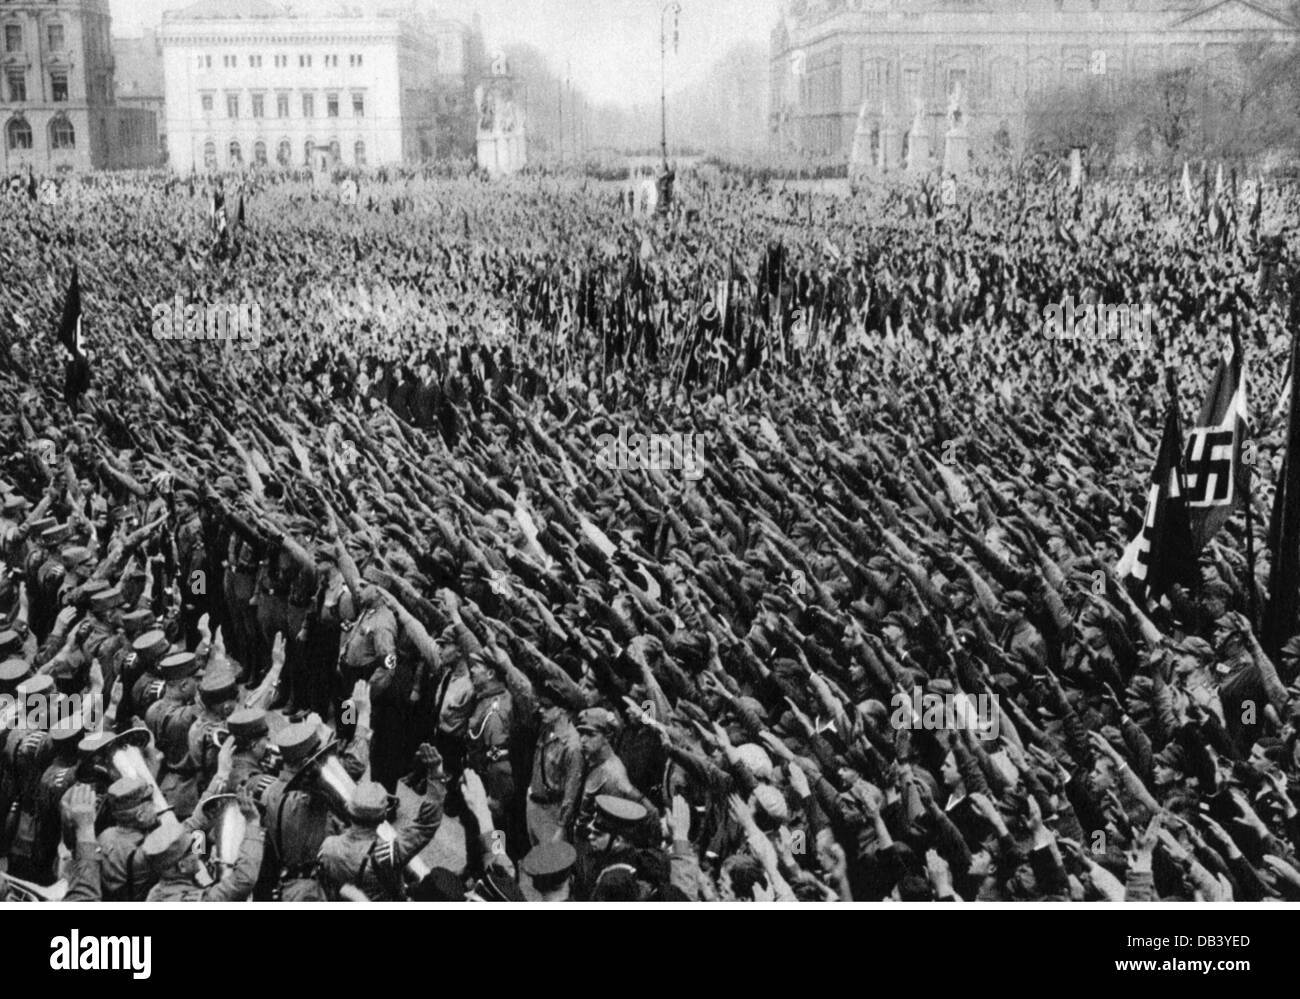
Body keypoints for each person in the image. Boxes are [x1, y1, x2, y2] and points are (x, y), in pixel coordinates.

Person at [316, 743, 447, 900]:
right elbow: (426, 825)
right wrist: (436, 775)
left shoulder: (328, 846)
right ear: (383, 818)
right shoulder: (386, 853)